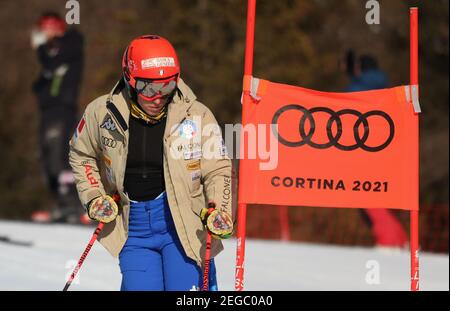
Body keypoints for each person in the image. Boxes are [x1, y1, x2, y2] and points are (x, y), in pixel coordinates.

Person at [69, 35, 234, 291]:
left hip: (183, 225)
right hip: (133, 229)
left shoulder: (197, 114)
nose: (157, 96)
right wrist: (94, 195)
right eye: (148, 87)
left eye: (166, 87)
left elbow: (218, 168)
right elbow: (81, 154)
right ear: (129, 79)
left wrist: (220, 209)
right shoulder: (101, 113)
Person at [344, 53, 408, 248]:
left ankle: (388, 241)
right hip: (385, 148)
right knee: (376, 194)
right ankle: (399, 239)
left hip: (362, 149)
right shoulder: (385, 86)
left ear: (359, 69)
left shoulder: (357, 87)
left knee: (366, 194)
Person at [31, 12, 85, 224]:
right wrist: (42, 48)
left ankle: (72, 205)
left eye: (50, 27)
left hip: (63, 110)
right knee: (46, 159)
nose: (46, 31)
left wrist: (49, 42)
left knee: (60, 156)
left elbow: (67, 46)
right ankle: (61, 204)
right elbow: (42, 76)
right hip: (48, 112)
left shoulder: (71, 42)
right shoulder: (49, 57)